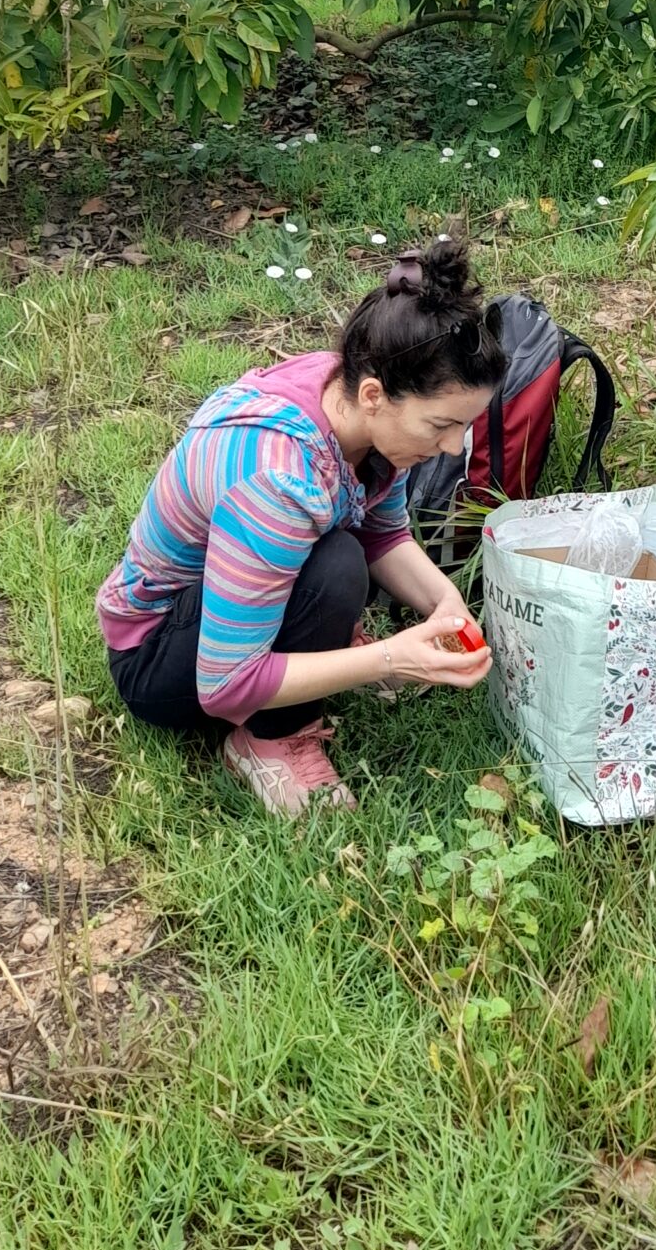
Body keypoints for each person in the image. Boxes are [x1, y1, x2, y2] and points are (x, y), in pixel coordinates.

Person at [99, 237, 504, 816]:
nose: (451, 447)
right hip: (160, 658)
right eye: (441, 425)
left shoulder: (346, 397)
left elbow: (382, 534)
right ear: (373, 395)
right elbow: (227, 682)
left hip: (225, 605)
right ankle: (268, 741)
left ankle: (322, 650)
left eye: (464, 426)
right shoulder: (277, 481)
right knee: (337, 566)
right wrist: (391, 658)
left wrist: (444, 601)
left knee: (344, 555)